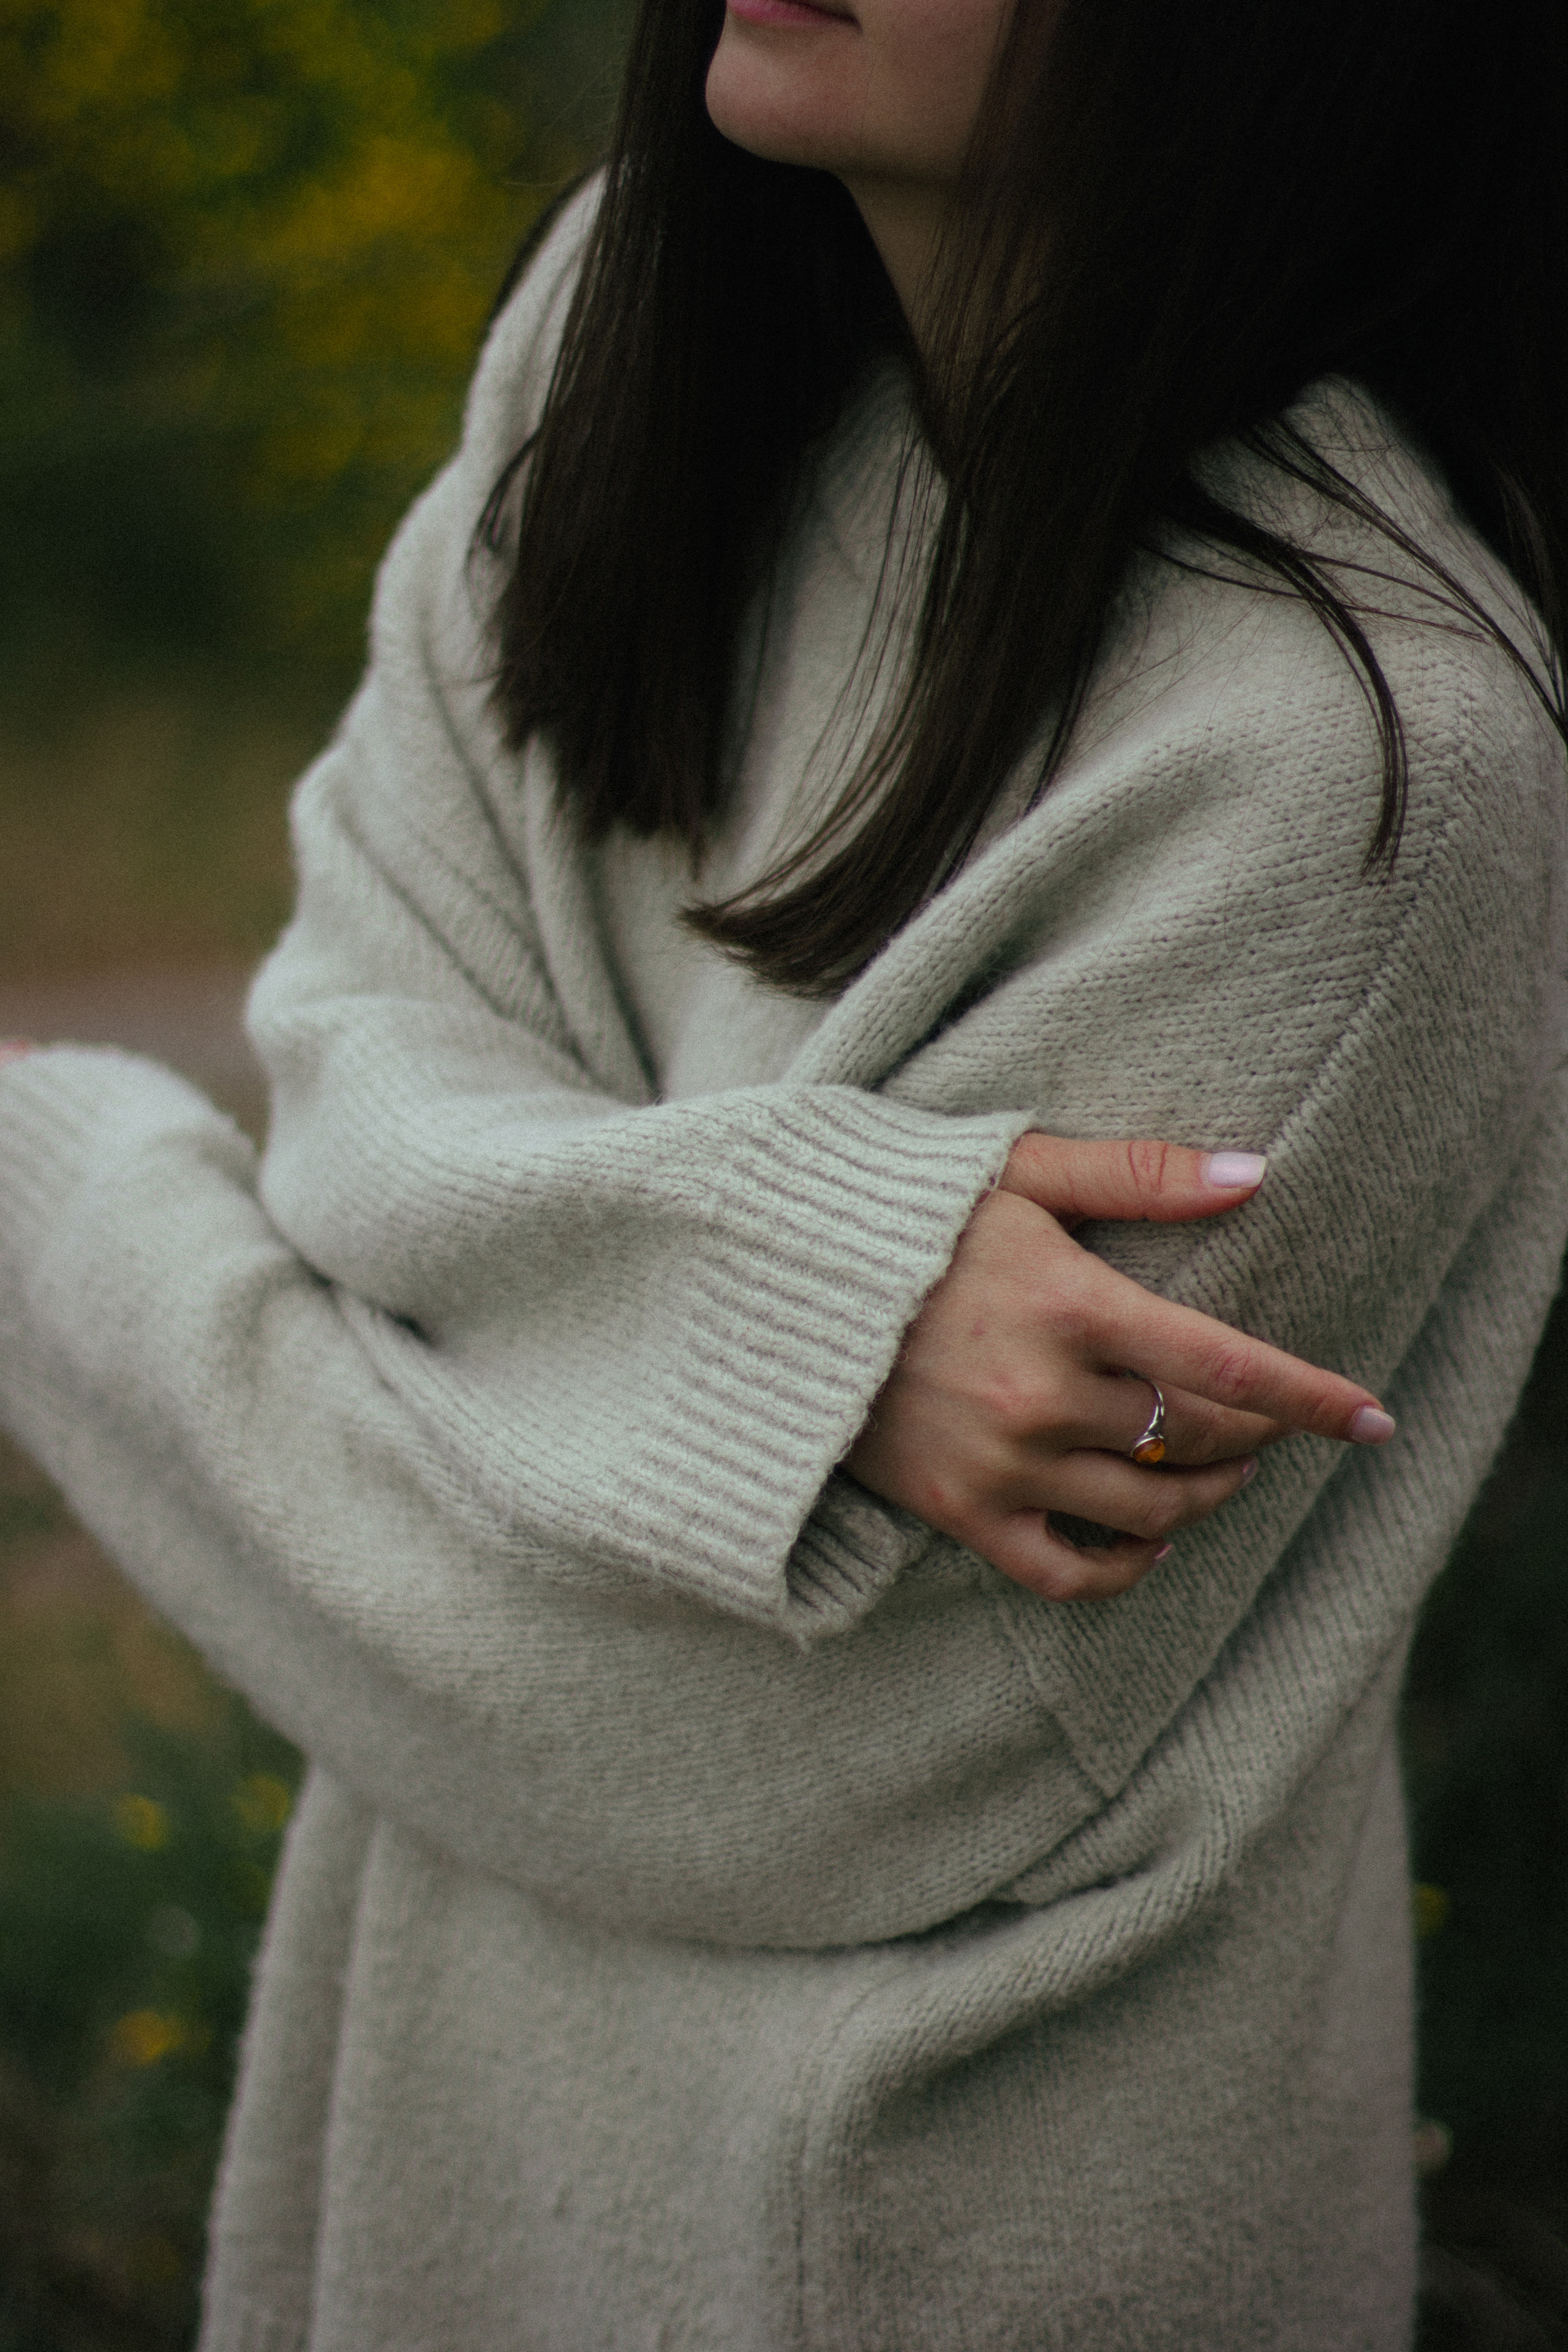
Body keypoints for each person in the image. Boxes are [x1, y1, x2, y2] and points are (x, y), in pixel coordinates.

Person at [2, 0, 1566, 2342]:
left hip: (925, 2230)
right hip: (450, 2134)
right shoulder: (630, 348)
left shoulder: (1357, 765)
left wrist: (61, 1204)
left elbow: (729, 1752)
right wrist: (809, 1300)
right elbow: (347, 1047)